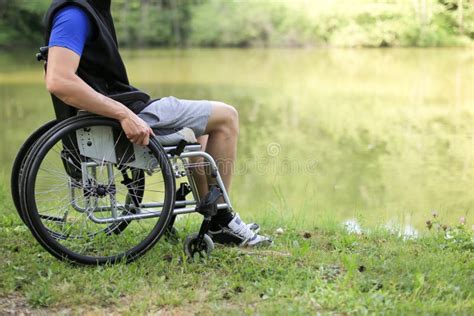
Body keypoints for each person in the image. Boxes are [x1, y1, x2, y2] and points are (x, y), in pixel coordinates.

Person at [43, 0, 271, 247]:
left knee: (200, 128)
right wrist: (124, 115)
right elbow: (58, 80)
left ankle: (216, 217)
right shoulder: (75, 15)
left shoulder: (86, 10)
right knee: (227, 117)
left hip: (119, 110)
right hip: (122, 116)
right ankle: (223, 220)